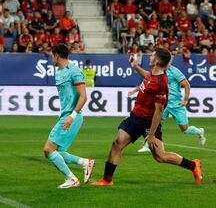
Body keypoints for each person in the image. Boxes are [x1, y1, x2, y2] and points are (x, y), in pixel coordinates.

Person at [91, 49, 202, 186]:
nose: (150, 56)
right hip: (135, 117)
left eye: (153, 55)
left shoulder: (161, 84)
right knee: (117, 144)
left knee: (160, 157)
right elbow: (148, 78)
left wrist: (151, 135)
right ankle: (107, 180)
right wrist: (136, 66)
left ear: (157, 61)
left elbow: (158, 112)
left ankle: (193, 165)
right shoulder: (153, 74)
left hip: (149, 123)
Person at [43, 44, 94, 189]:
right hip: (66, 116)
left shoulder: (74, 71)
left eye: (52, 55)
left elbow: (83, 96)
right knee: (57, 151)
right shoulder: (58, 72)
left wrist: (73, 116)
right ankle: (85, 162)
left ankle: (71, 179)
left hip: (71, 116)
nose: (52, 58)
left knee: (48, 149)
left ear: (57, 55)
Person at [129, 61, 206, 153]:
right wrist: (134, 91)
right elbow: (147, 82)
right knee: (154, 121)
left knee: (184, 129)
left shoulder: (175, 71)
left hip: (177, 105)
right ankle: (147, 145)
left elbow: (186, 85)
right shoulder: (157, 71)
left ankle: (199, 132)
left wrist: (185, 100)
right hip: (163, 103)